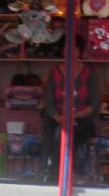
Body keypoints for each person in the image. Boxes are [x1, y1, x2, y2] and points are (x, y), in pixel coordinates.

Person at [38, 34, 98, 184]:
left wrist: (73, 116)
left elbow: (94, 105)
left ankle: (55, 179)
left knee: (61, 133)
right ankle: (42, 176)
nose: (71, 53)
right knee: (48, 134)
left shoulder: (89, 73)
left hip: (81, 121)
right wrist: (60, 118)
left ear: (80, 51)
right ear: (62, 50)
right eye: (67, 49)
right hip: (58, 119)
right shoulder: (54, 72)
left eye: (75, 49)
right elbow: (48, 103)